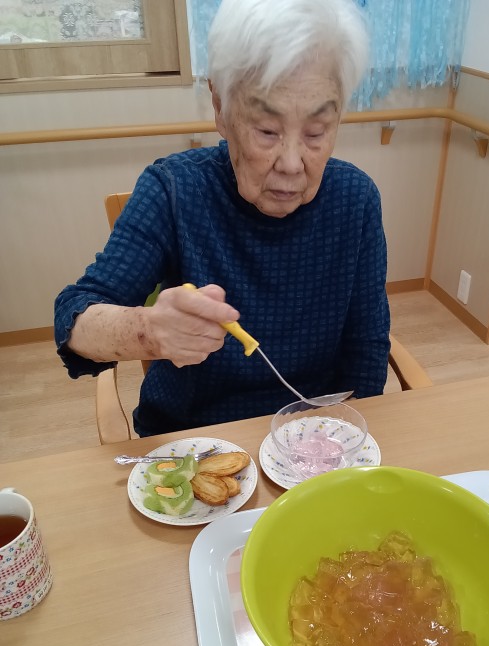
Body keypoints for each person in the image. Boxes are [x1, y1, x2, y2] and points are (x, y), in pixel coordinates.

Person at [54, 0, 391, 437]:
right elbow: (73, 317)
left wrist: (342, 444)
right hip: (192, 441)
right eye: (267, 130)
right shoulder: (175, 190)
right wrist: (148, 331)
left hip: (310, 437)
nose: (292, 164)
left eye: (316, 132)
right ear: (220, 106)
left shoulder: (355, 200)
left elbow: (366, 353)